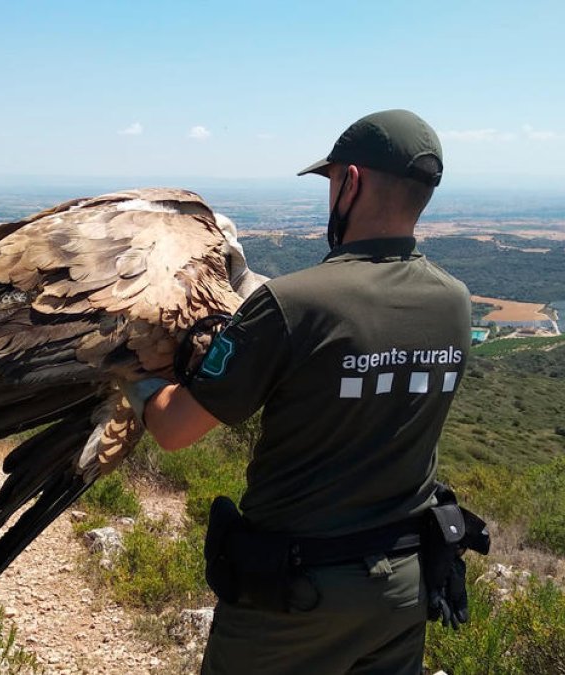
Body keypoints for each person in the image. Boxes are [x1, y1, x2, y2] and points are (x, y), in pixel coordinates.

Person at [125, 109, 472, 674]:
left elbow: (174, 430)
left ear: (350, 182)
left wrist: (135, 374)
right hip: (404, 587)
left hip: (295, 598)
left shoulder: (293, 303)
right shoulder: (454, 301)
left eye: (331, 181)